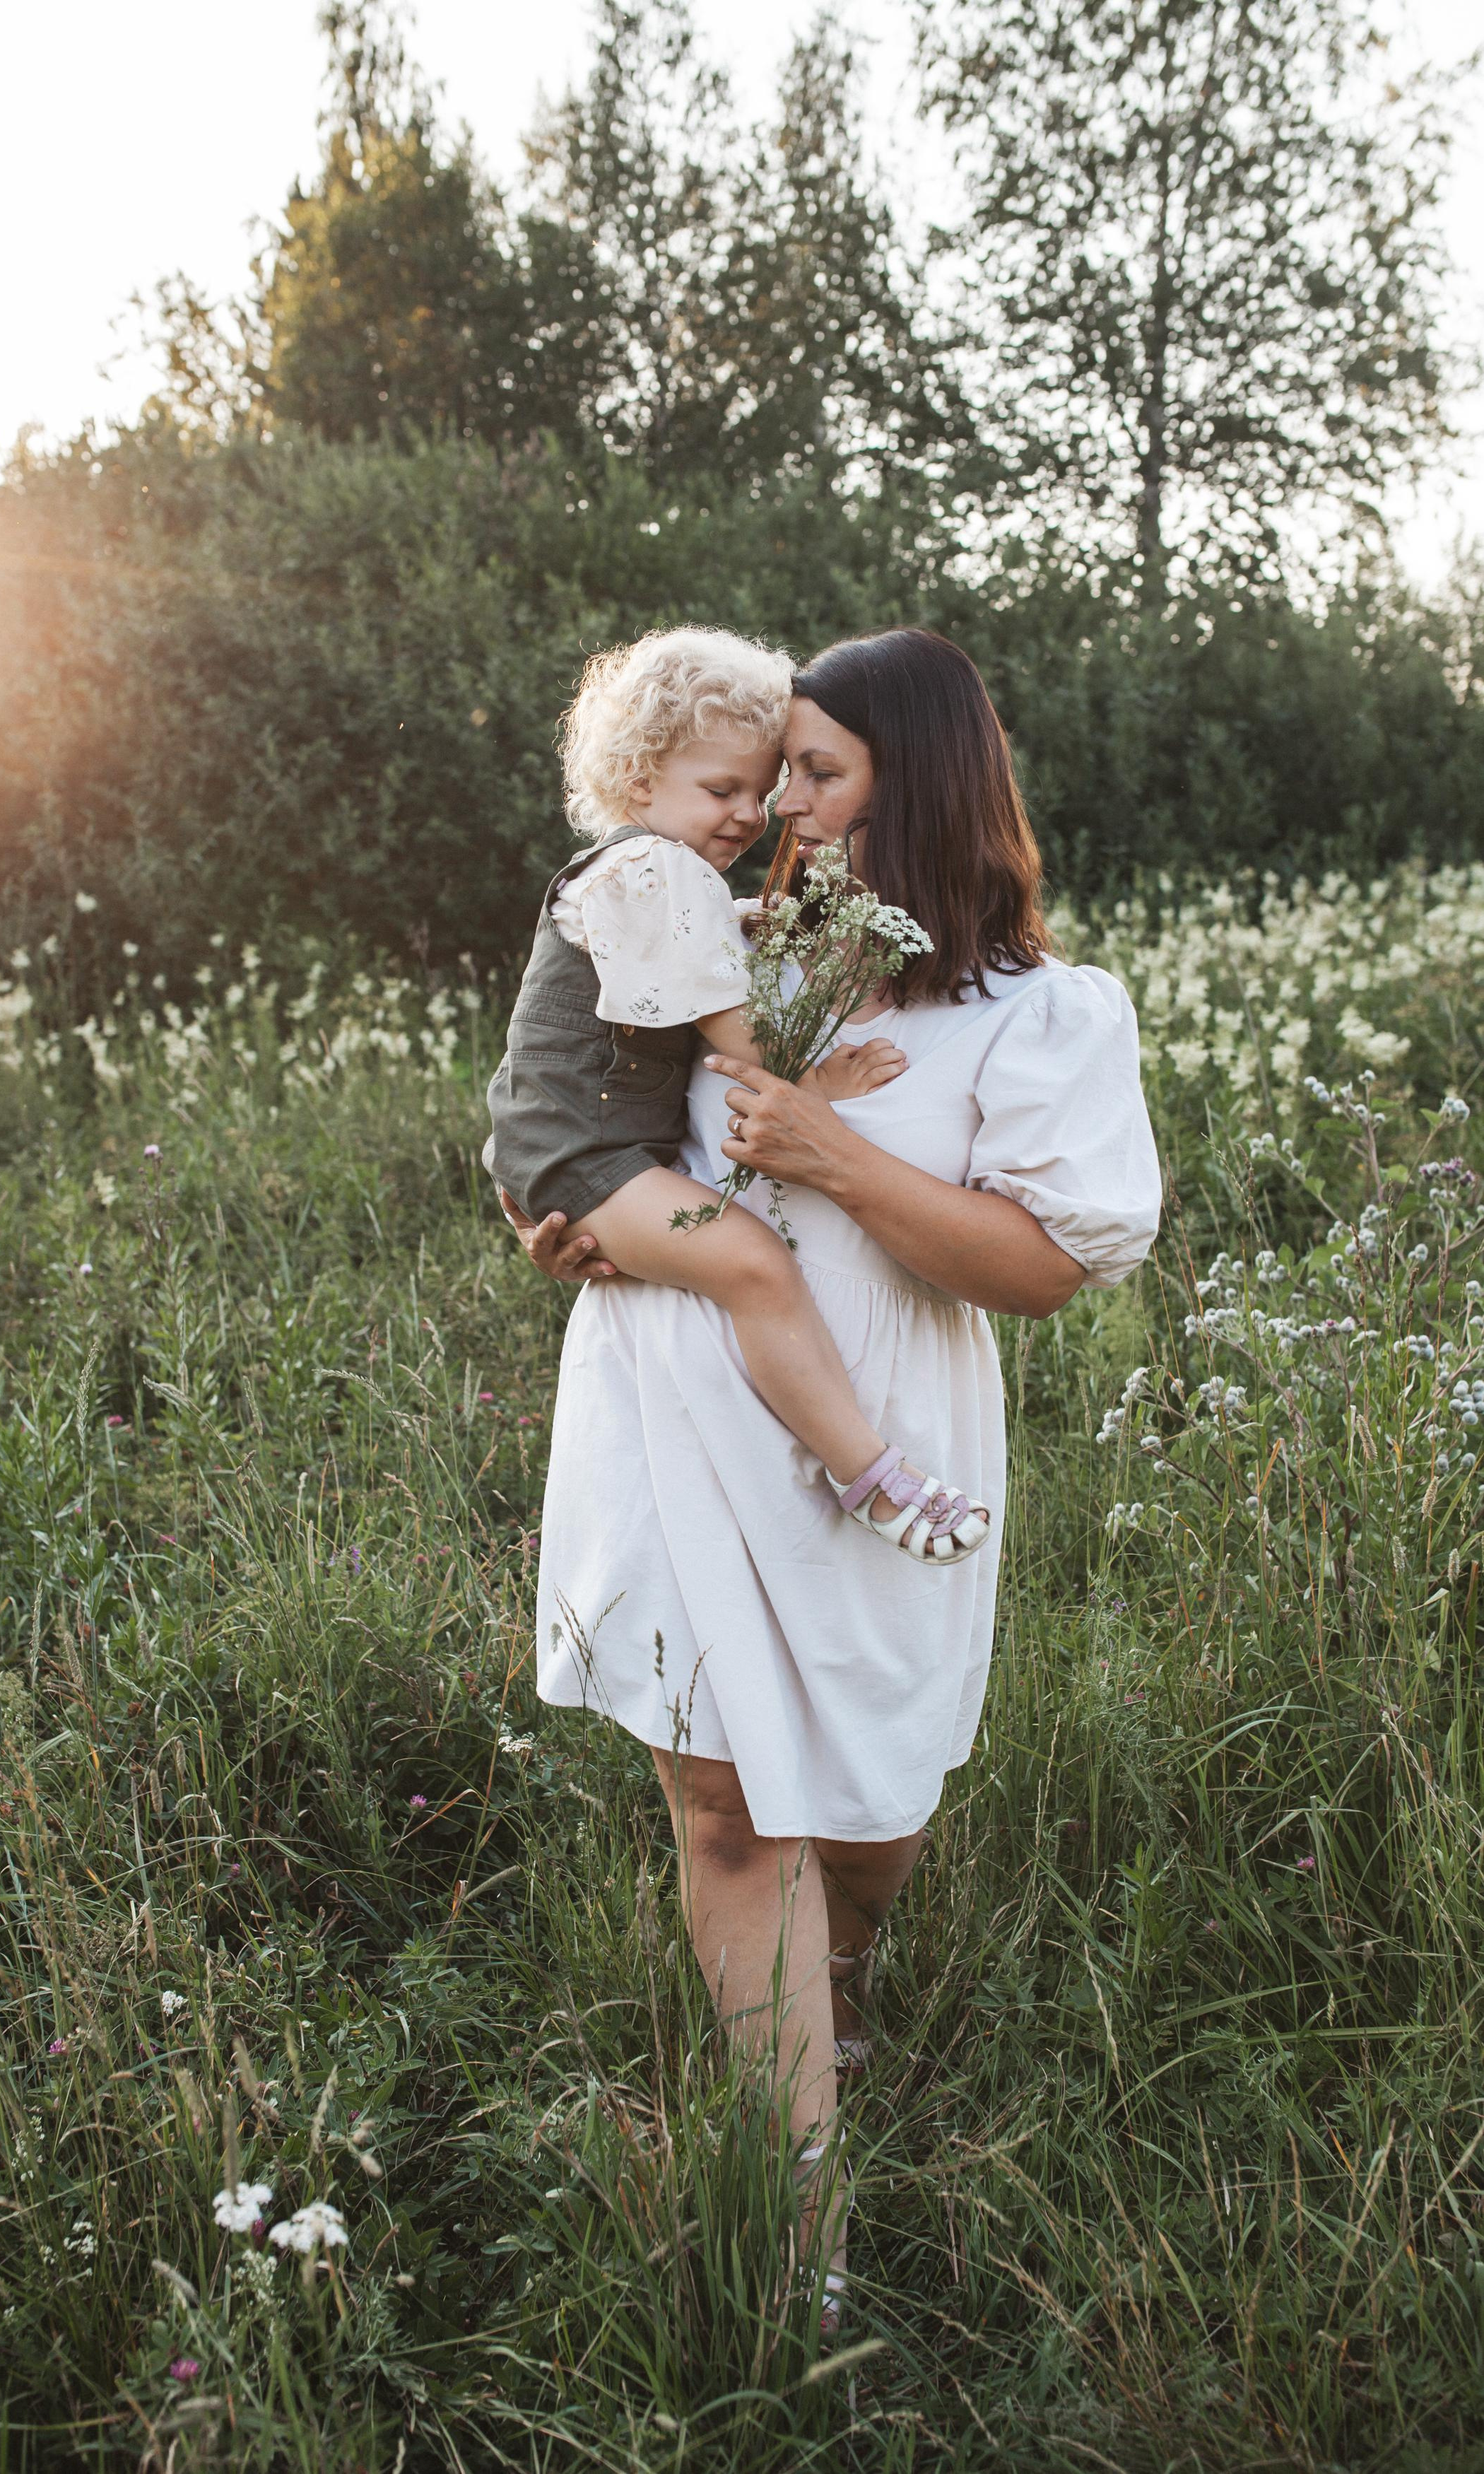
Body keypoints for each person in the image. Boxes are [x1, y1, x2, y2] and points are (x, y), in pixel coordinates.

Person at [503, 628, 1162, 2335]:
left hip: (880, 1449)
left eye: (820, 771)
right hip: (668, 1422)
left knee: (869, 1819)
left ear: (918, 782)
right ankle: (791, 2228)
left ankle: (840, 1982)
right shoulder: (720, 943)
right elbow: (594, 1115)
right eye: (774, 770)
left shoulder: (1044, 1011)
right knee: (725, 1809)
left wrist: (831, 1150)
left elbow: (1040, 1271)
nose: (783, 808)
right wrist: (561, 1220)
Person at [485, 626, 989, 1568]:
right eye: (723, 790)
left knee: (743, 1264)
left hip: (573, 1140)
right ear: (638, 781)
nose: (755, 815)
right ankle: (869, 1476)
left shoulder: (664, 875)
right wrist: (822, 1085)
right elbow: (738, 1041)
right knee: (754, 1266)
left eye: (763, 790)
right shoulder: (653, 871)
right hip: (584, 1153)